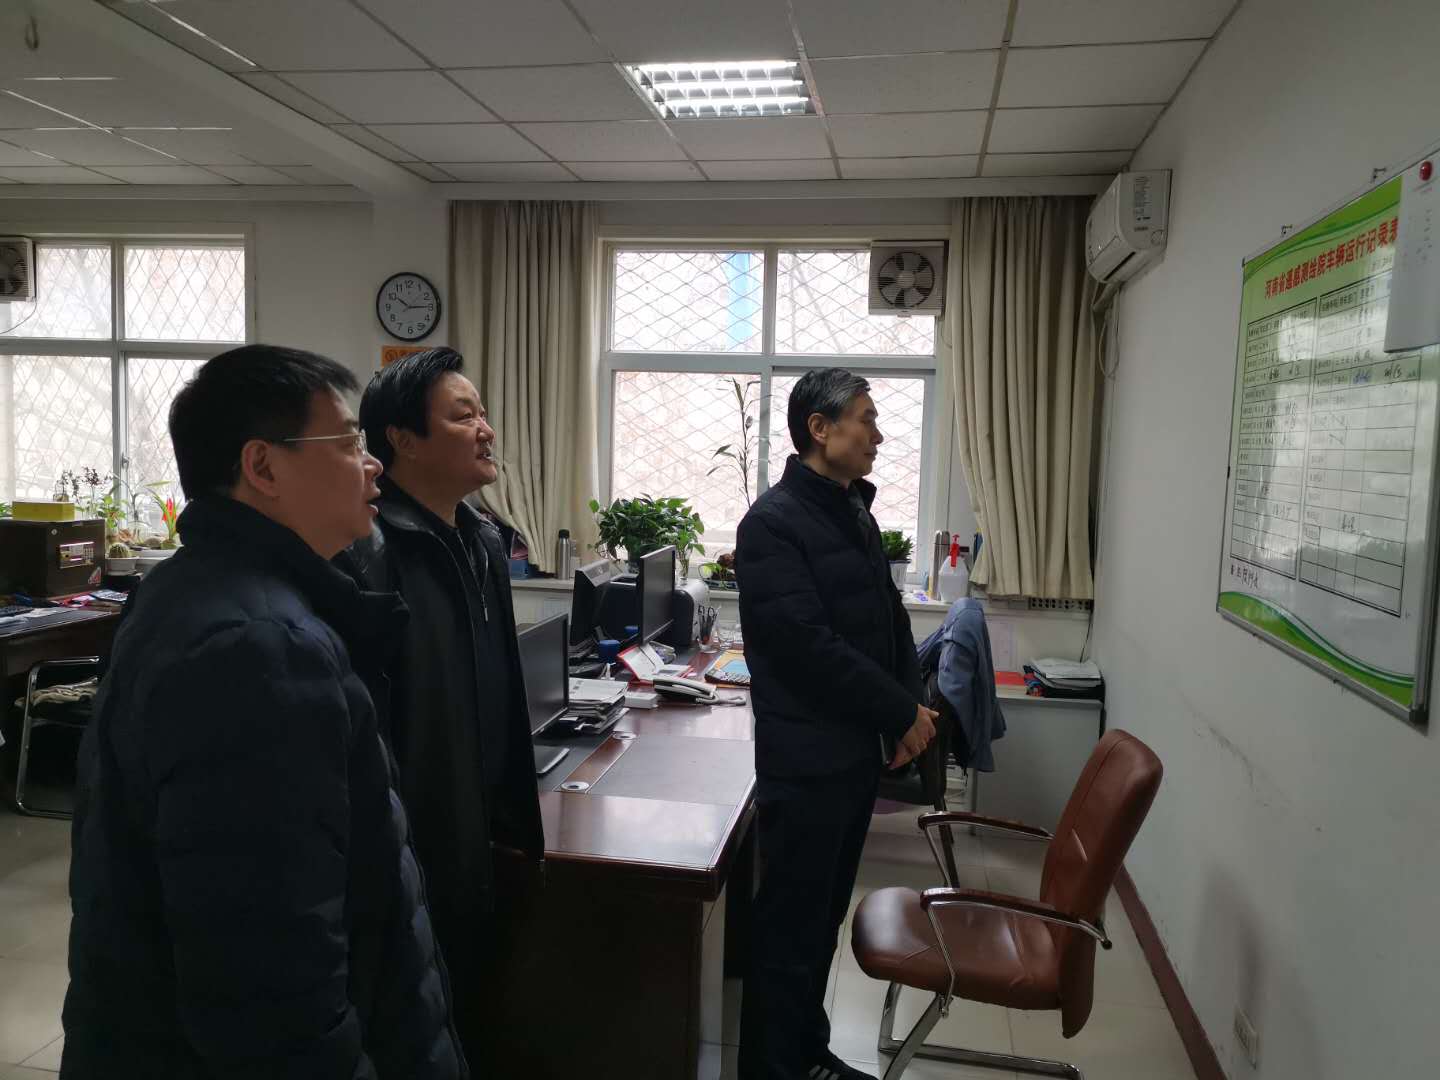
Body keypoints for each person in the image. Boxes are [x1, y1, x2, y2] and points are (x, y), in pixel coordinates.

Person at [61, 345, 466, 1079]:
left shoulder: (208, 592)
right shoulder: (257, 648)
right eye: (348, 442)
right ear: (263, 467)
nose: (372, 464)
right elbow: (270, 988)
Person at [336, 347, 544, 1069]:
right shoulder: (369, 553)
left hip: (478, 828)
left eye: (482, 412)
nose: (486, 429)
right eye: (463, 416)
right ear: (403, 438)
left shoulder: (481, 538)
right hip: (417, 838)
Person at [736, 368, 938, 1080]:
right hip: (807, 762)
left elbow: (889, 619)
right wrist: (898, 711)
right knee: (789, 928)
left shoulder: (853, 508)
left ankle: (805, 1051)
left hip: (852, 756)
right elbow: (808, 647)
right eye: (865, 419)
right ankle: (773, 1068)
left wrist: (910, 708)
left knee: (820, 922)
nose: (878, 435)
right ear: (820, 429)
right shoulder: (772, 524)